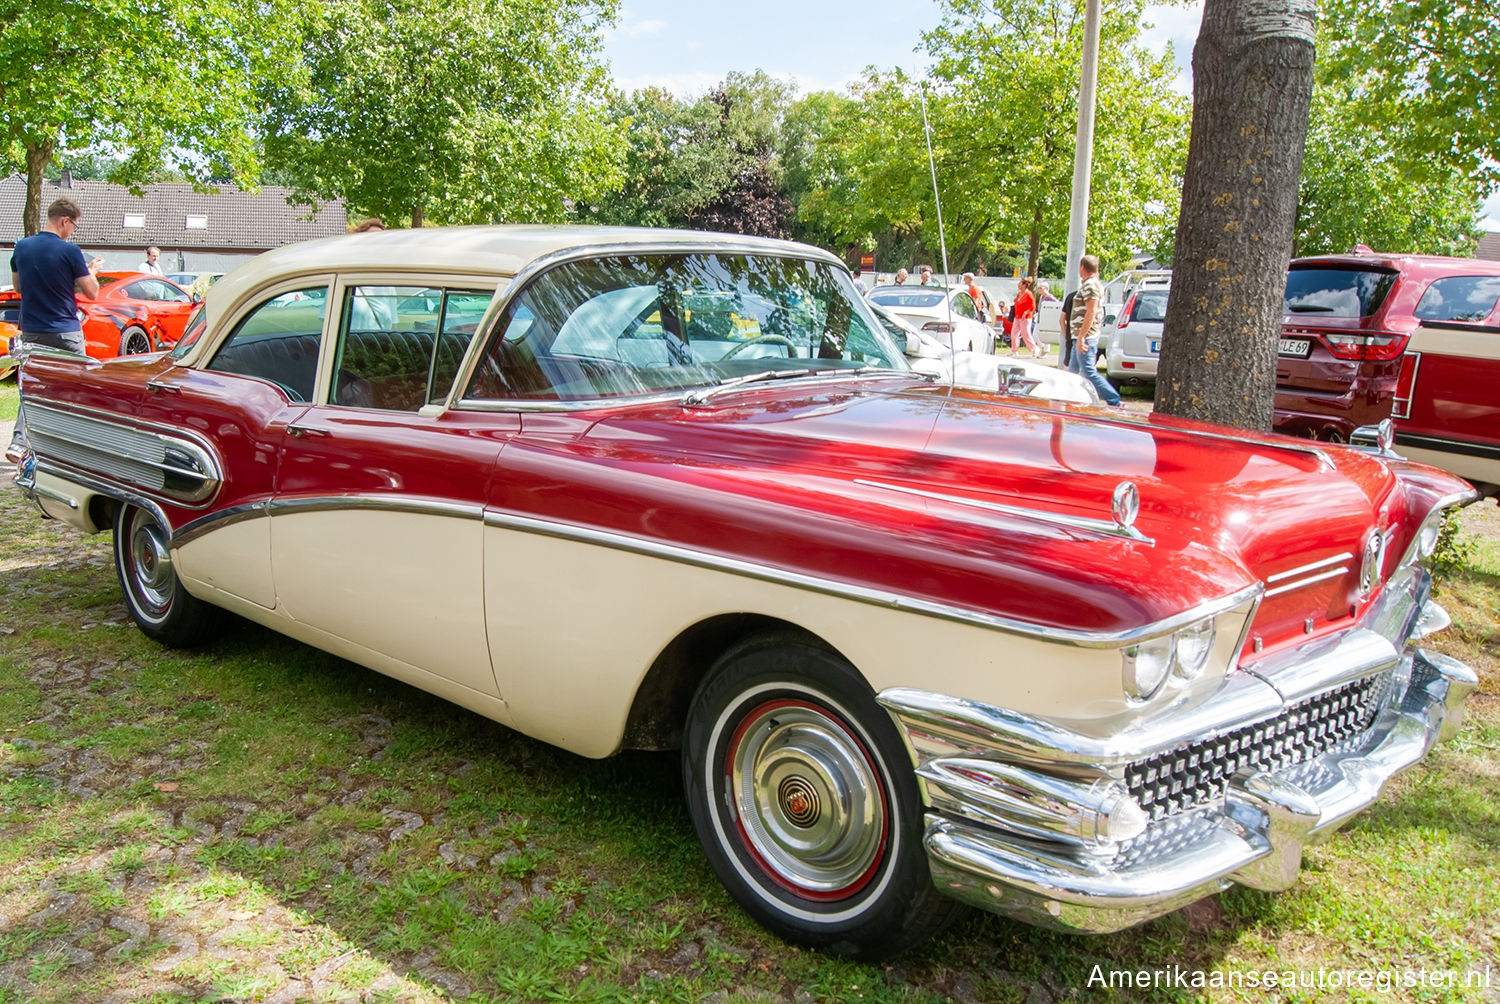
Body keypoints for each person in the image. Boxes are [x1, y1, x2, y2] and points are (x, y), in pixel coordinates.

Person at [9, 198, 102, 451]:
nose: (72, 230)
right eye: (74, 225)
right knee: (78, 386)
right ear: (64, 220)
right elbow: (92, 292)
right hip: (65, 331)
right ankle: (78, 445)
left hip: (32, 331)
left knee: (33, 387)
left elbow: (18, 287)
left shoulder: (22, 247)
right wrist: (91, 271)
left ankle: (18, 443)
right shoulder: (70, 251)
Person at [1067, 255, 1122, 406]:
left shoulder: (1090, 285)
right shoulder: (1092, 284)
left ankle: (1113, 400)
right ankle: (1068, 399)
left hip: (1085, 337)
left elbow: (1090, 312)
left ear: (1082, 268)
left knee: (1088, 372)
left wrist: (1081, 337)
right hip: (1081, 336)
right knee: (1073, 372)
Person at [1010, 276, 1042, 357]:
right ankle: (1014, 350)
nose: (1018, 284)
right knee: (1014, 334)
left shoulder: (1029, 294)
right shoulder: (1019, 293)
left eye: (1020, 283)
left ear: (1024, 285)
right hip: (1017, 316)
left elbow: (1033, 306)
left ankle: (1034, 349)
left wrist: (1026, 312)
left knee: (1026, 334)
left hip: (1025, 318)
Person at [1057, 288, 1077, 369]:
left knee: (1068, 362)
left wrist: (1066, 334)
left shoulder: (1070, 296)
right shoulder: (1087, 297)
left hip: (1070, 335)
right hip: (1083, 336)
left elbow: (1061, 319)